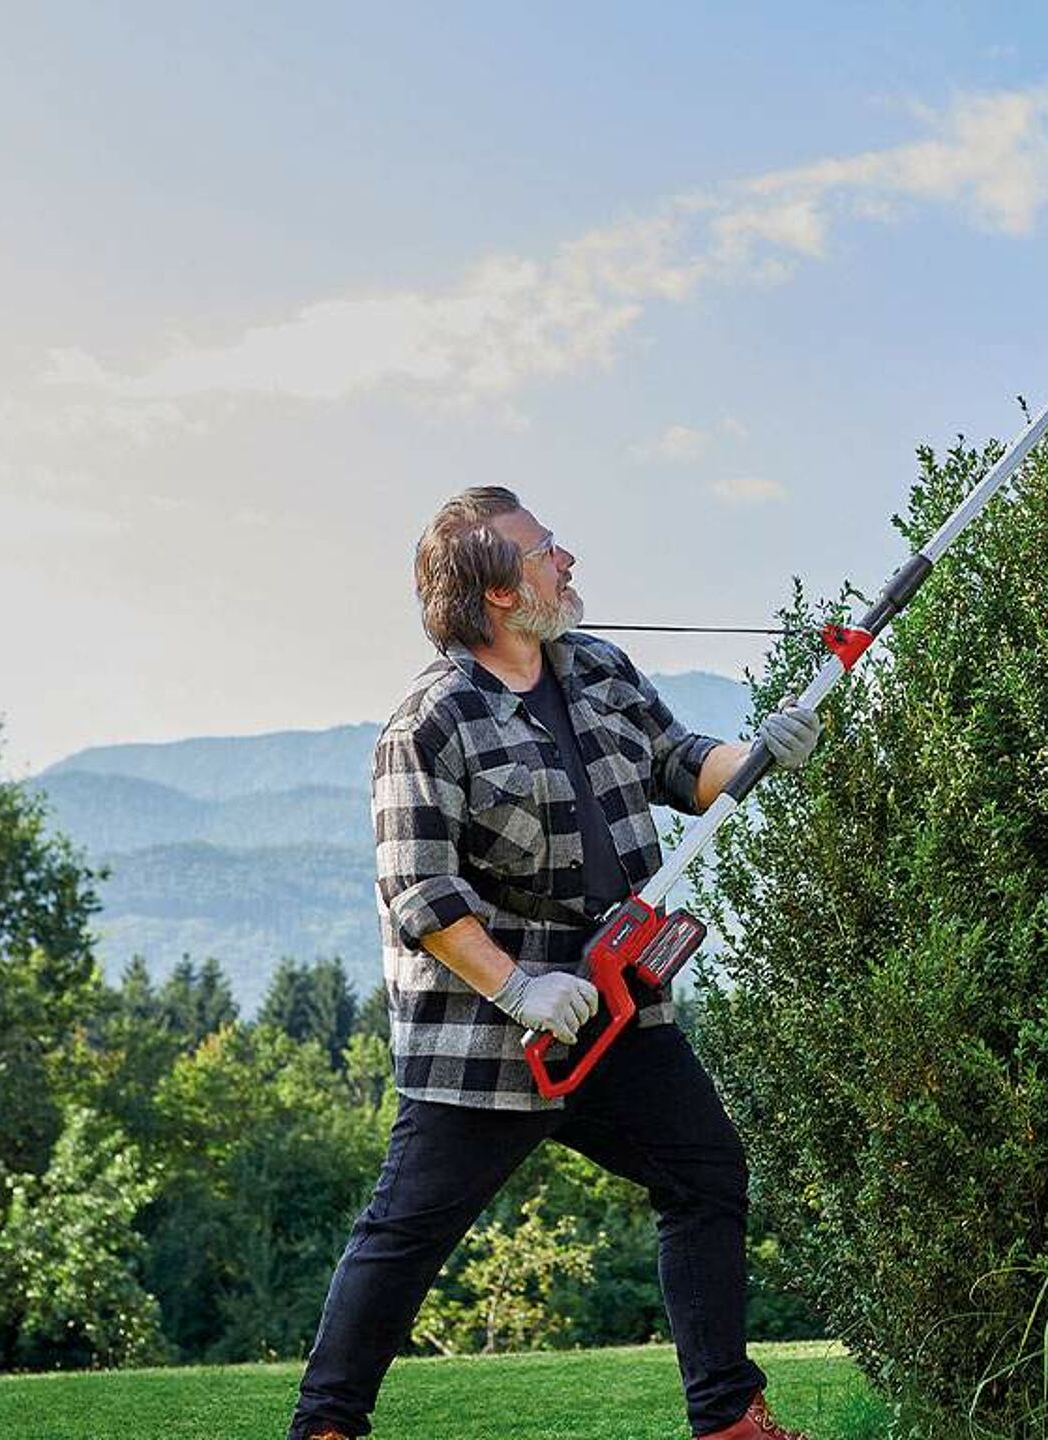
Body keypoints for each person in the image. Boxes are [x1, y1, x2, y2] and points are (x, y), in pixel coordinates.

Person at [289, 486, 821, 1440]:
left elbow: (679, 765)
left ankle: (729, 1418)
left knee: (705, 1175)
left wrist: (761, 753)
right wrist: (522, 988)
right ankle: (326, 1427)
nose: (566, 559)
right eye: (543, 550)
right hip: (488, 1039)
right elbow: (421, 895)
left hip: (623, 1010)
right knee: (406, 1237)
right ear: (497, 591)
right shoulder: (429, 723)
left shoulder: (600, 670)